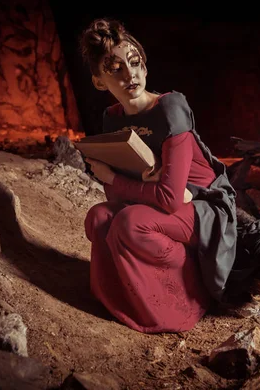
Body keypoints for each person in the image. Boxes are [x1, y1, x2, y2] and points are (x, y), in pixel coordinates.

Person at [79, 18, 238, 333]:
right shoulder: (111, 119)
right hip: (166, 203)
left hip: (203, 207)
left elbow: (167, 198)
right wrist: (133, 184)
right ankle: (125, 300)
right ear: (99, 81)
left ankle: (190, 296)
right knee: (98, 217)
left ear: (145, 65)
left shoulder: (171, 109)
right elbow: (117, 199)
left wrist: (113, 178)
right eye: (115, 69)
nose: (130, 74)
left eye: (134, 62)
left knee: (131, 223)